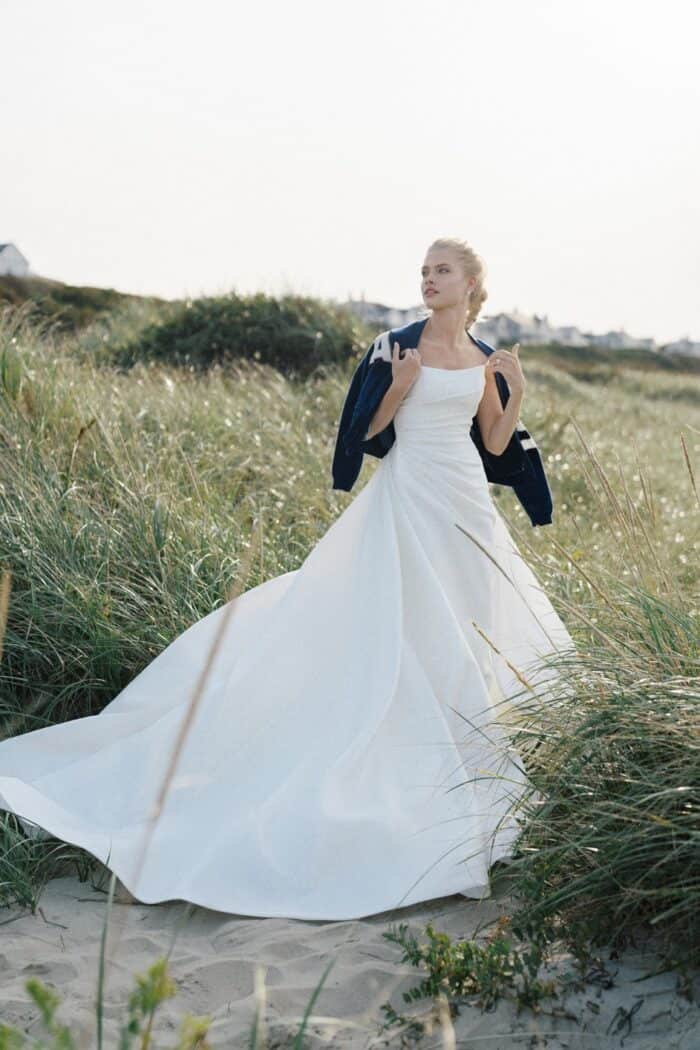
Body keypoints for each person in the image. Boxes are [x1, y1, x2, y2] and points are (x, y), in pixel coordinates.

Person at [0, 237, 576, 921]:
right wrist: (397, 387)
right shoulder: (399, 347)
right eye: (422, 270)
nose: (427, 279)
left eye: (441, 271)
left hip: (465, 508)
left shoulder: (484, 360)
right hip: (408, 498)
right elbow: (368, 434)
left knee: (475, 626)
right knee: (403, 629)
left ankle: (466, 765)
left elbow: (496, 445)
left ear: (472, 283)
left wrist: (516, 392)